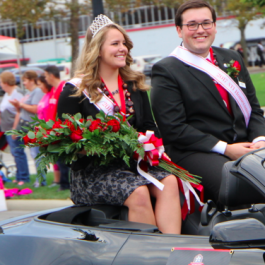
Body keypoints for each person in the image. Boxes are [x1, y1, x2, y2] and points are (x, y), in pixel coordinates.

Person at [57, 14, 181, 234]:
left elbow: (149, 126)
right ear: (97, 50)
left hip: (134, 165)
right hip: (93, 173)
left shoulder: (134, 84)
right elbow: (65, 149)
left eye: (124, 43)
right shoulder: (75, 91)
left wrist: (150, 145)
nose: (123, 48)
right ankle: (148, 257)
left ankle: (172, 249)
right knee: (139, 192)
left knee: (169, 182)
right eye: (115, 43)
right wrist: (93, 148)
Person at [151, 0, 265, 203]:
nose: (200, 30)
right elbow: (173, 128)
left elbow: (254, 111)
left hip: (243, 145)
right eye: (192, 25)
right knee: (240, 185)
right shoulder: (167, 70)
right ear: (179, 30)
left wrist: (260, 140)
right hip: (197, 151)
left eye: (206, 23)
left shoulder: (232, 58)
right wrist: (226, 149)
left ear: (214, 26)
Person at [9, 71, 46, 187]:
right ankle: (40, 180)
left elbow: (35, 109)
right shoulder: (30, 93)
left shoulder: (37, 91)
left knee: (36, 154)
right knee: (33, 153)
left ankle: (41, 181)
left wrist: (21, 104)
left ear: (31, 80)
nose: (23, 83)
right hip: (27, 127)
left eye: (25, 80)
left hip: (33, 127)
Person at [0, 71, 30, 186]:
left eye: (1, 82)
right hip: (6, 128)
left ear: (6, 83)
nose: (1, 85)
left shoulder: (17, 93)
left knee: (18, 152)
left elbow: (20, 111)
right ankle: (18, 175)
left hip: (15, 127)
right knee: (14, 152)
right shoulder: (7, 94)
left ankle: (24, 177)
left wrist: (15, 129)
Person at [44, 66, 71, 191]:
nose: (45, 79)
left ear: (51, 75)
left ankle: (66, 184)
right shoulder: (54, 90)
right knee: (59, 160)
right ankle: (64, 183)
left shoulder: (63, 87)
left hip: (60, 130)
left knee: (63, 160)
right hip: (54, 130)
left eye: (45, 76)